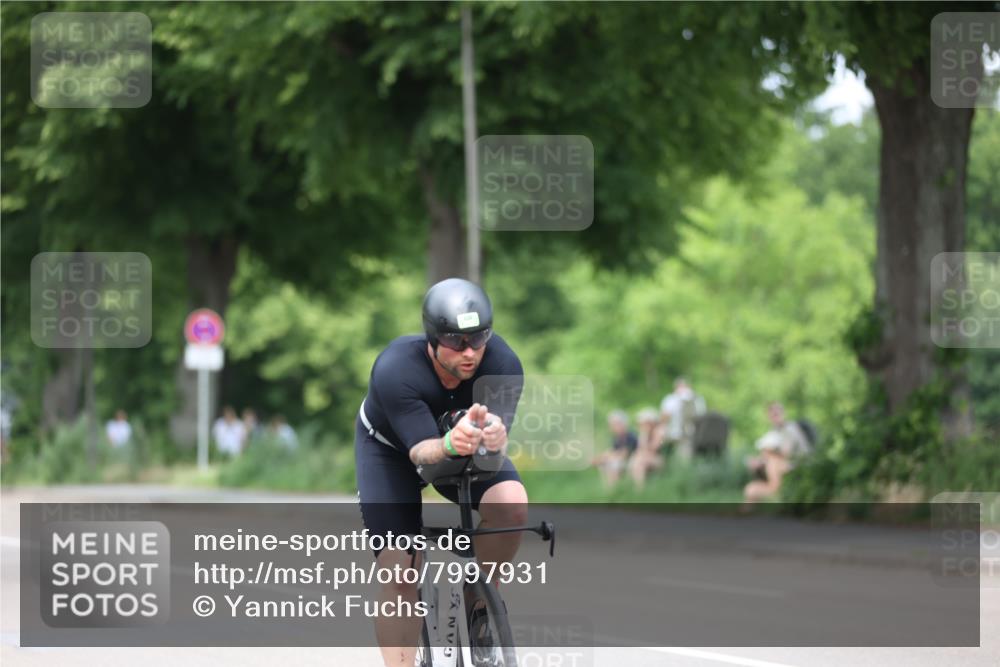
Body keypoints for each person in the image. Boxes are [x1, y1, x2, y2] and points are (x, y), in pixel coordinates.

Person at [355, 278, 526, 667]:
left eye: (478, 339)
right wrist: (450, 444)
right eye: (456, 342)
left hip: (464, 446)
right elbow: (422, 452)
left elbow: (493, 447)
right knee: (400, 571)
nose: (470, 352)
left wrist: (495, 437)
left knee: (512, 505)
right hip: (391, 452)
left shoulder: (502, 364)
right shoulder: (397, 367)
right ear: (432, 339)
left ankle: (480, 595)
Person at [743, 402, 812, 503]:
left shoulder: (790, 429)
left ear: (783, 414)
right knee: (750, 489)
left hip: (799, 465)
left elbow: (786, 454)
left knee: (772, 460)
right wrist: (758, 461)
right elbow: (767, 452)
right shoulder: (774, 432)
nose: (775, 417)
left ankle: (774, 490)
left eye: (777, 414)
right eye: (772, 415)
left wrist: (768, 453)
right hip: (782, 467)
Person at [659, 377, 706, 460]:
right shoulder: (699, 399)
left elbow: (664, 418)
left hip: (677, 434)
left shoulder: (671, 399)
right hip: (696, 434)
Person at [592, 410, 638, 489]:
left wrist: (606, 458)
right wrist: (601, 457)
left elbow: (624, 454)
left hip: (632, 461)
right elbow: (612, 451)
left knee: (612, 464)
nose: (612, 427)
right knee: (604, 464)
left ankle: (615, 489)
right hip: (622, 461)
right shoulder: (616, 438)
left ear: (623, 424)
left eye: (615, 424)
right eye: (611, 425)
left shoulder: (630, 436)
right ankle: (610, 489)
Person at [629, 408, 666, 489]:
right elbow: (639, 449)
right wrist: (644, 435)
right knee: (637, 463)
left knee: (638, 463)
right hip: (645, 459)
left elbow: (654, 448)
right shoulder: (643, 433)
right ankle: (640, 489)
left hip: (659, 459)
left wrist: (645, 435)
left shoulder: (660, 431)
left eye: (644, 423)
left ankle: (640, 490)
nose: (642, 426)